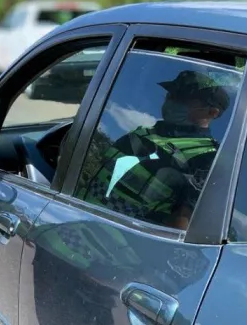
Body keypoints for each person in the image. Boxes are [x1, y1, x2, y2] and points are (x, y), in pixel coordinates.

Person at [78, 70, 233, 230]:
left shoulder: (206, 158)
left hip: (116, 249)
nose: (171, 100)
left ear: (212, 112)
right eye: (170, 94)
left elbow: (180, 227)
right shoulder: (140, 133)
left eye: (182, 98)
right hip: (74, 222)